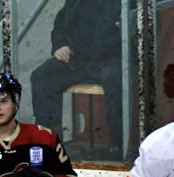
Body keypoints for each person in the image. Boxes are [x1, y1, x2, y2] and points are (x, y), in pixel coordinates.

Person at [30, 0, 123, 158]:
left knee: (119, 80)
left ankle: (118, 149)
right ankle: (50, 148)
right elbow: (61, 21)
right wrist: (60, 45)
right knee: (42, 77)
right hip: (78, 59)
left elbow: (147, 28)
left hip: (113, 58)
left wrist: (124, 34)